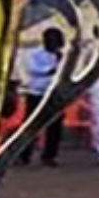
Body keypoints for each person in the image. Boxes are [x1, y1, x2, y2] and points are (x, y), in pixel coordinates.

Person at [18, 27, 64, 167]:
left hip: (54, 93)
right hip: (36, 92)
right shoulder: (35, 53)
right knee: (31, 125)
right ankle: (24, 154)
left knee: (55, 127)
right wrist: (51, 69)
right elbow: (33, 69)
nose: (53, 44)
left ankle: (50, 155)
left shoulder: (62, 55)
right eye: (51, 41)